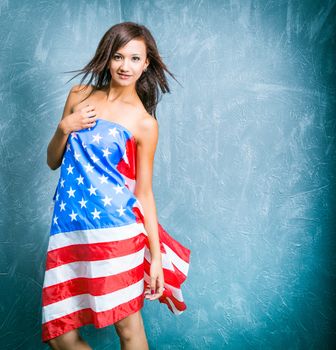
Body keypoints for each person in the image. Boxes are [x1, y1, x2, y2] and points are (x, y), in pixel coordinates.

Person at [41, 21, 191, 350]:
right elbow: (53, 161)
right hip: (68, 229)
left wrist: (154, 257)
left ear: (146, 63)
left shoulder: (144, 123)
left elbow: (145, 194)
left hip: (114, 234)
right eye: (119, 56)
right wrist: (64, 127)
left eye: (135, 59)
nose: (126, 66)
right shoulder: (79, 95)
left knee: (128, 328)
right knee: (58, 335)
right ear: (108, 58)